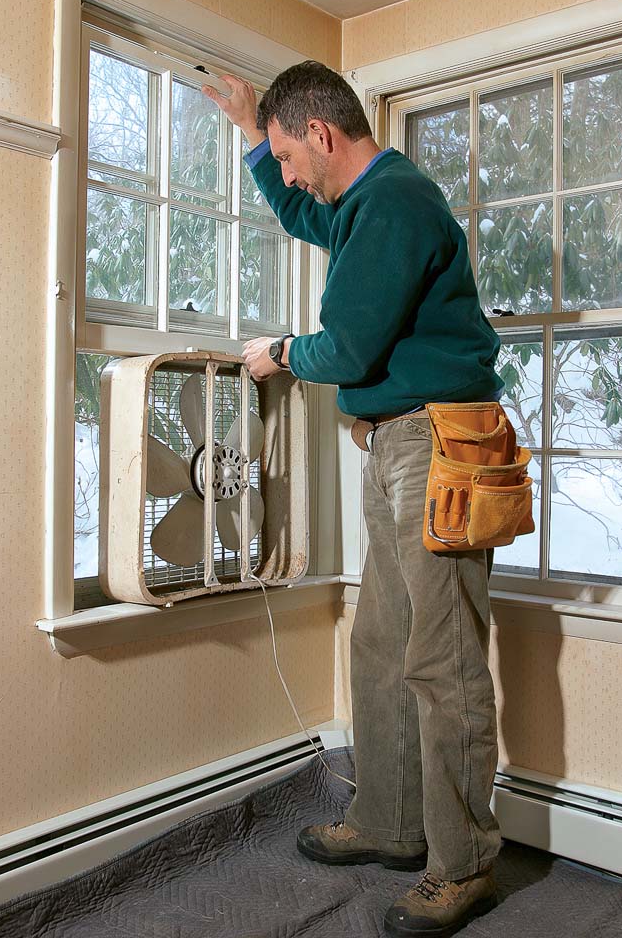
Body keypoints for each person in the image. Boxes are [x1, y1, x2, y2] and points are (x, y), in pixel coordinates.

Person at [203, 61, 503, 938]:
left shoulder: (397, 202)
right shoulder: (366, 204)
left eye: (293, 156)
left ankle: (465, 863)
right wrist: (254, 135)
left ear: (326, 136)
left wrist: (285, 353)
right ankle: (389, 822)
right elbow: (303, 212)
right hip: (397, 443)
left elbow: (354, 346)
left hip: (434, 443)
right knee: (380, 646)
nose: (291, 178)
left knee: (440, 665)